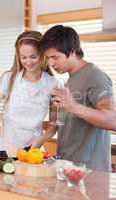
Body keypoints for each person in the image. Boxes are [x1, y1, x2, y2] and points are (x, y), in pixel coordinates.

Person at [40, 24, 116, 171]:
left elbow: (113, 120)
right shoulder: (70, 78)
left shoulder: (95, 76)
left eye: (55, 57)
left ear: (72, 51)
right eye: (48, 58)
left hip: (90, 172)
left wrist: (73, 107)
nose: (51, 63)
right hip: (69, 168)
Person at [0, 31, 57, 155]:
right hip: (4, 147)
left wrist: (41, 139)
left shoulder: (52, 83)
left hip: (33, 149)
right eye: (24, 57)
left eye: (33, 56)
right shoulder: (9, 78)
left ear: (43, 54)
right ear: (19, 56)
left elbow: (54, 123)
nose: (28, 62)